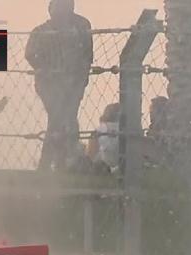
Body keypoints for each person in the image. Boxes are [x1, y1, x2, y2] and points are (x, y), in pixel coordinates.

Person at [25, 0, 93, 172]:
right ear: (50, 10)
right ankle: (63, 163)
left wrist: (81, 74)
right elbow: (30, 54)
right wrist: (48, 70)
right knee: (61, 118)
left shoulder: (81, 25)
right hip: (50, 84)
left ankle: (53, 164)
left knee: (63, 119)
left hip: (74, 83)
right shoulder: (40, 31)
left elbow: (87, 53)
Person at [86, 102, 120, 171]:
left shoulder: (99, 130)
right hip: (122, 163)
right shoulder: (125, 128)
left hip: (101, 164)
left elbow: (90, 154)